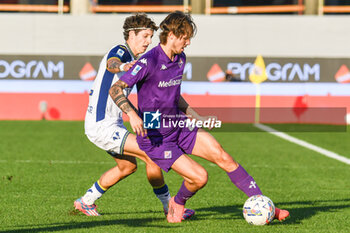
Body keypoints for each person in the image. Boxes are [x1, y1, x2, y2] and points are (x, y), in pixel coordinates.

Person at [110, 11, 289, 223]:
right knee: (200, 177)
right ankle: (177, 202)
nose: (187, 43)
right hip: (156, 137)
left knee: (223, 156)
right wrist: (132, 114)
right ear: (172, 35)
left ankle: (265, 204)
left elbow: (174, 95)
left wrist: (196, 117)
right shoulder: (148, 61)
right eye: (185, 37)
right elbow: (116, 89)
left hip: (178, 125)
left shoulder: (180, 58)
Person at [74, 13, 194, 220]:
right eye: (145, 36)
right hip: (102, 125)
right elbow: (113, 63)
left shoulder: (140, 61)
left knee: (127, 166)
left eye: (150, 37)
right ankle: (169, 207)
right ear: (131, 34)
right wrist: (122, 67)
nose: (148, 42)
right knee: (152, 156)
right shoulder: (121, 51)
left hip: (112, 124)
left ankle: (85, 201)